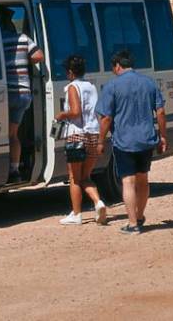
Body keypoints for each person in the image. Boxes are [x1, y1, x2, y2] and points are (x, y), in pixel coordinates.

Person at [96, 50, 168, 235]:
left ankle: (132, 223)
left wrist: (100, 141)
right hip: (146, 139)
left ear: (117, 65)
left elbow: (105, 118)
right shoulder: (148, 83)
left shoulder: (112, 86)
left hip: (124, 140)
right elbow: (160, 112)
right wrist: (163, 136)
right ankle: (140, 215)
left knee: (128, 181)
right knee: (143, 179)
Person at [55, 55, 107, 225]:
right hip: (93, 134)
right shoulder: (91, 86)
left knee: (74, 178)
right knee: (86, 176)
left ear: (70, 72)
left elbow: (76, 112)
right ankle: (98, 202)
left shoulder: (72, 87)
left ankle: (76, 214)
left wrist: (62, 114)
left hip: (76, 134)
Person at [0, 5, 44, 183]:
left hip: (5, 94)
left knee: (6, 135)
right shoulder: (23, 38)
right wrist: (24, 59)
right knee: (14, 134)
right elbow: (39, 56)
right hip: (24, 93)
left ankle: (11, 171)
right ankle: (15, 169)